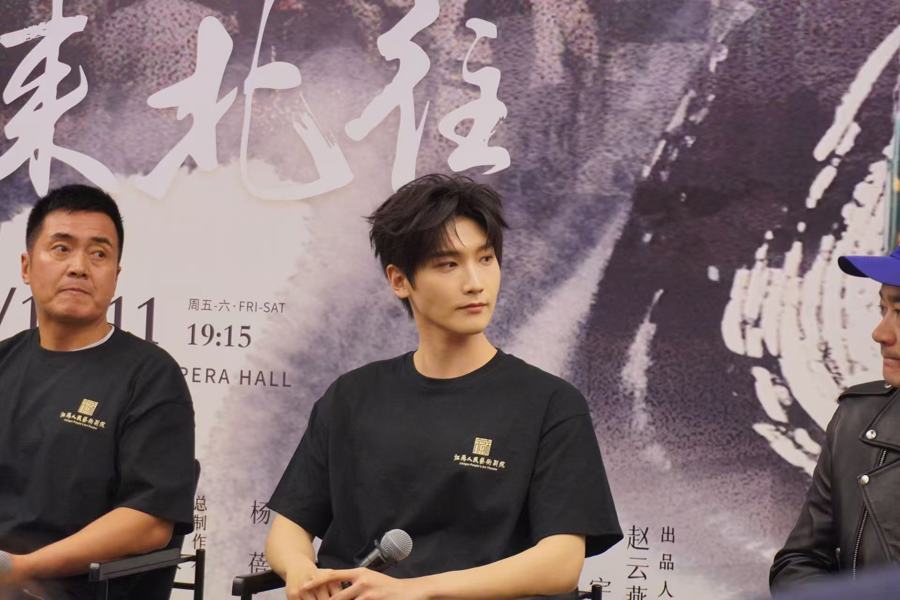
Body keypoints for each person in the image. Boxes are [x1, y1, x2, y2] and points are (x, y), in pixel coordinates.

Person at [265, 174, 622, 599]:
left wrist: (418, 590)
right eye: (448, 264)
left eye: (485, 259)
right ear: (400, 280)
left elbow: (560, 563)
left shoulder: (551, 404)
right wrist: (301, 570)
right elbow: (289, 528)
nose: (475, 283)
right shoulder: (350, 396)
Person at [0, 185, 195, 600]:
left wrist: (21, 570)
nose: (79, 267)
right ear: (26, 266)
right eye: (61, 248)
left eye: (98, 254)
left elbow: (149, 522)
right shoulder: (5, 360)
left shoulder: (149, 376)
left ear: (115, 276)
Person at [770, 246, 900, 590]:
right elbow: (799, 563)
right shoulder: (856, 418)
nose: (881, 333)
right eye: (883, 309)